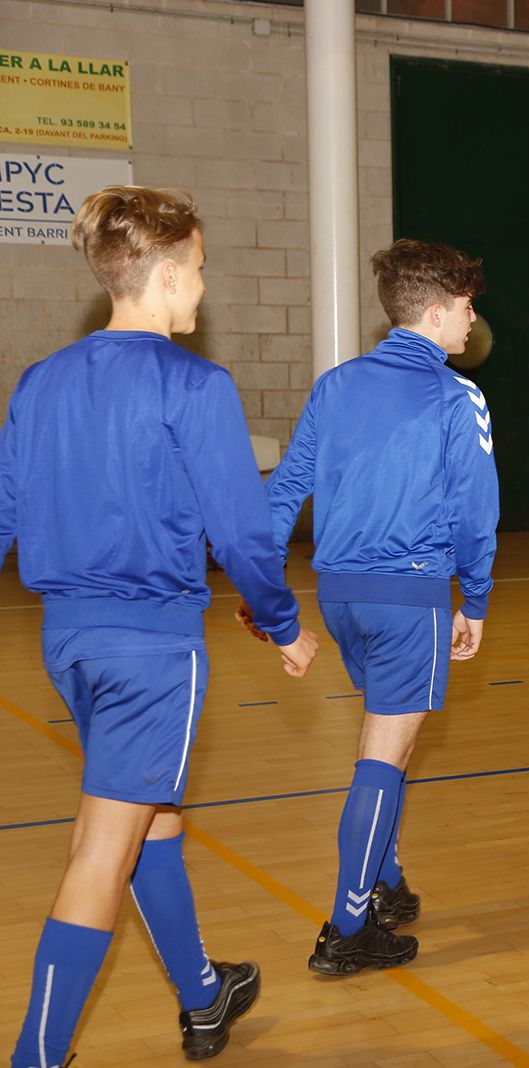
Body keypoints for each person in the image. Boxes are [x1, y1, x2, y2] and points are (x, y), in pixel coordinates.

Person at [0, 186, 319, 1066]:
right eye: (202, 273)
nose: (204, 293)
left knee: (152, 818)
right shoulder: (194, 384)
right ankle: (37, 1055)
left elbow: (3, 514)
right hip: (151, 652)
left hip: (67, 645)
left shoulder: (40, 382)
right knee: (99, 852)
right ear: (168, 271)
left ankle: (205, 996)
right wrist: (284, 621)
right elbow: (244, 532)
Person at [252, 239, 499, 976]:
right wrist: (476, 596)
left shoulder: (335, 385)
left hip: (341, 597)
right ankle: (347, 925)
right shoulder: (458, 397)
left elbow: (284, 489)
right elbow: (475, 513)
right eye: (464, 308)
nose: (472, 320)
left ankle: (385, 880)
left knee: (385, 736)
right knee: (384, 757)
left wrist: (264, 582)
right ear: (432, 313)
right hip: (409, 596)